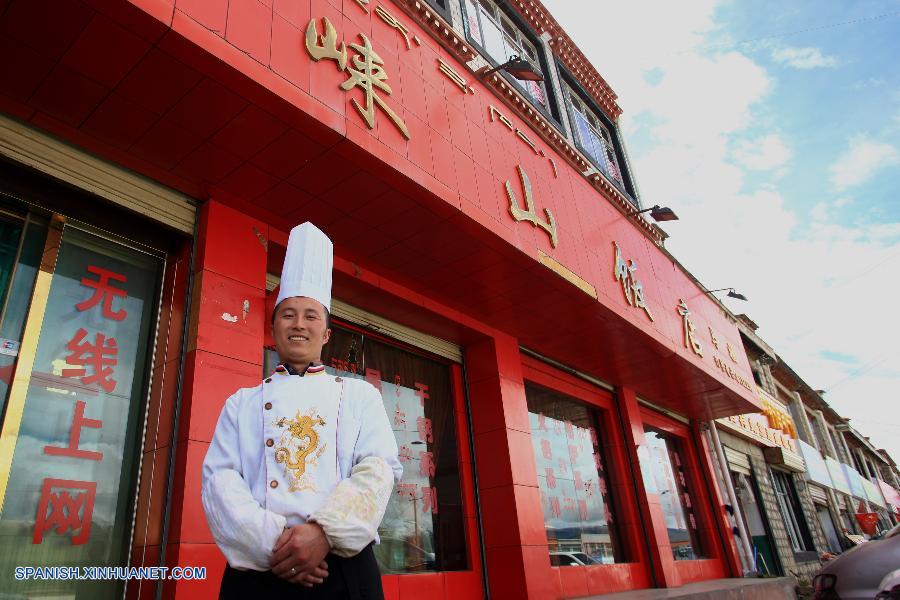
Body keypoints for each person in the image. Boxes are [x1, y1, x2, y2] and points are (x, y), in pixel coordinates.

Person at [202, 222, 402, 599]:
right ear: (273, 327)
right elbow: (219, 481)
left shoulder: (360, 396)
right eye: (288, 314)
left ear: (326, 334)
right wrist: (279, 546)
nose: (299, 324)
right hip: (260, 570)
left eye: (311, 316)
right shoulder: (241, 403)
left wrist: (323, 534)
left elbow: (379, 469)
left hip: (342, 568)